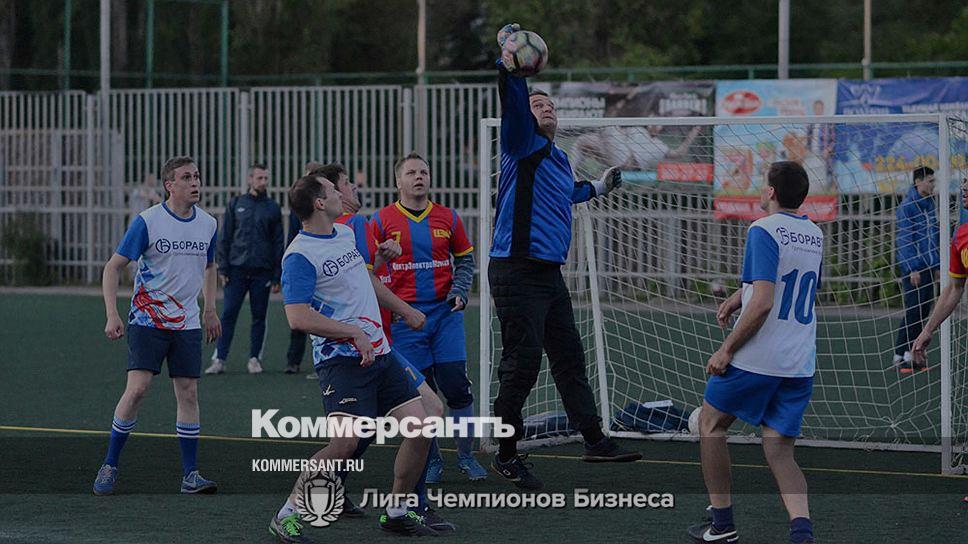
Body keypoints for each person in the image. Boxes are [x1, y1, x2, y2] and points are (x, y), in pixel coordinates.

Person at [487, 24, 639, 491]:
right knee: (522, 365)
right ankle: (506, 453)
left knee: (569, 357)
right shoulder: (521, 141)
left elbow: (568, 192)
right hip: (516, 269)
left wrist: (599, 187)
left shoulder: (554, 157)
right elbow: (513, 102)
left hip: (547, 275)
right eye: (538, 104)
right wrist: (510, 66)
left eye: (551, 105)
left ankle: (594, 440)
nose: (546, 108)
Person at [269, 175, 437, 541]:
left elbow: (365, 281)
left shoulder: (344, 234)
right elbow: (297, 317)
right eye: (332, 190)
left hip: (380, 354)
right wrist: (353, 333)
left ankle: (396, 511)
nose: (340, 193)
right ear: (319, 203)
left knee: (422, 428)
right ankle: (287, 513)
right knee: (344, 444)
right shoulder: (299, 255)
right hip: (341, 362)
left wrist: (404, 309)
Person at [302, 163, 456, 530]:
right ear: (328, 196)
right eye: (345, 184)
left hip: (378, 344)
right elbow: (360, 285)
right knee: (408, 419)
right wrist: (405, 309)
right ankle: (407, 505)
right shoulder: (350, 227)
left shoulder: (343, 231)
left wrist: (384, 259)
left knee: (411, 419)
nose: (352, 189)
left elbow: (362, 277)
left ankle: (388, 504)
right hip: (364, 348)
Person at [688, 161, 820, 544]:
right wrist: (738, 296)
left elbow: (763, 302)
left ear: (771, 192)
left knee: (711, 424)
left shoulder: (763, 228)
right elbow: (784, 283)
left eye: (763, 184)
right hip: (798, 361)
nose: (761, 189)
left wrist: (726, 349)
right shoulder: (813, 233)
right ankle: (802, 534)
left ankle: (722, 525)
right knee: (779, 451)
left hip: (759, 358)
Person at [93, 156, 221, 496]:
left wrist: (210, 308)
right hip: (147, 320)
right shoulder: (148, 221)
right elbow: (112, 267)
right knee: (138, 389)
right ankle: (110, 463)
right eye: (186, 177)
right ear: (169, 185)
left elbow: (210, 267)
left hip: (187, 323)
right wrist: (112, 313)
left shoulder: (208, 224)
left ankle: (190, 475)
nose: (195, 182)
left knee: (188, 392)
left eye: (196, 176)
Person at [371, 151, 487, 482]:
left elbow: (465, 260)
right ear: (398, 181)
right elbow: (370, 270)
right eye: (411, 173)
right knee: (422, 396)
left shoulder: (448, 217)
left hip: (445, 316)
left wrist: (460, 290)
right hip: (405, 321)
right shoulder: (381, 220)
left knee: (457, 387)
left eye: (423, 171)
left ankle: (466, 457)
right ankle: (432, 460)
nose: (419, 177)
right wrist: (394, 308)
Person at [205, 163, 284, 375]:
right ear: (250, 179)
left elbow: (278, 243)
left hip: (262, 272)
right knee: (228, 314)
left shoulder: (273, 208)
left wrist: (277, 275)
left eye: (266, 178)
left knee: (259, 317)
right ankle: (219, 359)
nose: (263, 182)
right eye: (259, 178)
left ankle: (254, 359)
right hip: (236, 270)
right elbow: (225, 237)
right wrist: (223, 269)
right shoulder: (236, 203)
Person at [893, 166, 939, 373]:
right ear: (918, 182)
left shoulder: (929, 205)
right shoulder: (908, 207)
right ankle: (902, 355)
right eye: (930, 181)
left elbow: (933, 238)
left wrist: (937, 265)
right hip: (915, 269)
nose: (933, 185)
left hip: (929, 266)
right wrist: (912, 267)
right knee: (913, 311)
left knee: (923, 312)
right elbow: (905, 240)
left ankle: (912, 354)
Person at [285, 162, 325, 375]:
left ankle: (324, 361)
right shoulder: (299, 206)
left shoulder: (327, 207)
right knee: (300, 314)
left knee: (325, 315)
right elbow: (292, 237)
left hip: (323, 266)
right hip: (305, 266)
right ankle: (294, 361)